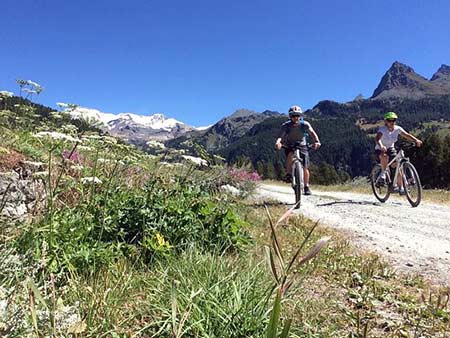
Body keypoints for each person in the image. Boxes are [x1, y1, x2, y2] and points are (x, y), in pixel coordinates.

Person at [275, 105, 321, 195]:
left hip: (302, 145)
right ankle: (288, 174)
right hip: (290, 145)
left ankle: (306, 186)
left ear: (300, 116)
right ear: (290, 116)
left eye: (297, 115)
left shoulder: (305, 124)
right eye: (293, 116)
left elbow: (312, 133)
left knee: (305, 167)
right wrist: (278, 143)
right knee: (290, 155)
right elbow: (280, 136)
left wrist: (317, 141)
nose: (295, 118)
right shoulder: (286, 126)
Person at [375, 112, 422, 194]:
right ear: (386, 121)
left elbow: (407, 135)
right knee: (384, 156)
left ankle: (401, 187)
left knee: (397, 165)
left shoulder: (397, 129)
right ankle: (383, 173)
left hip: (390, 147)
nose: (392, 122)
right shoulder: (382, 130)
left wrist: (416, 140)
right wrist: (381, 146)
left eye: (394, 120)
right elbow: (377, 139)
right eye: (389, 120)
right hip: (380, 148)